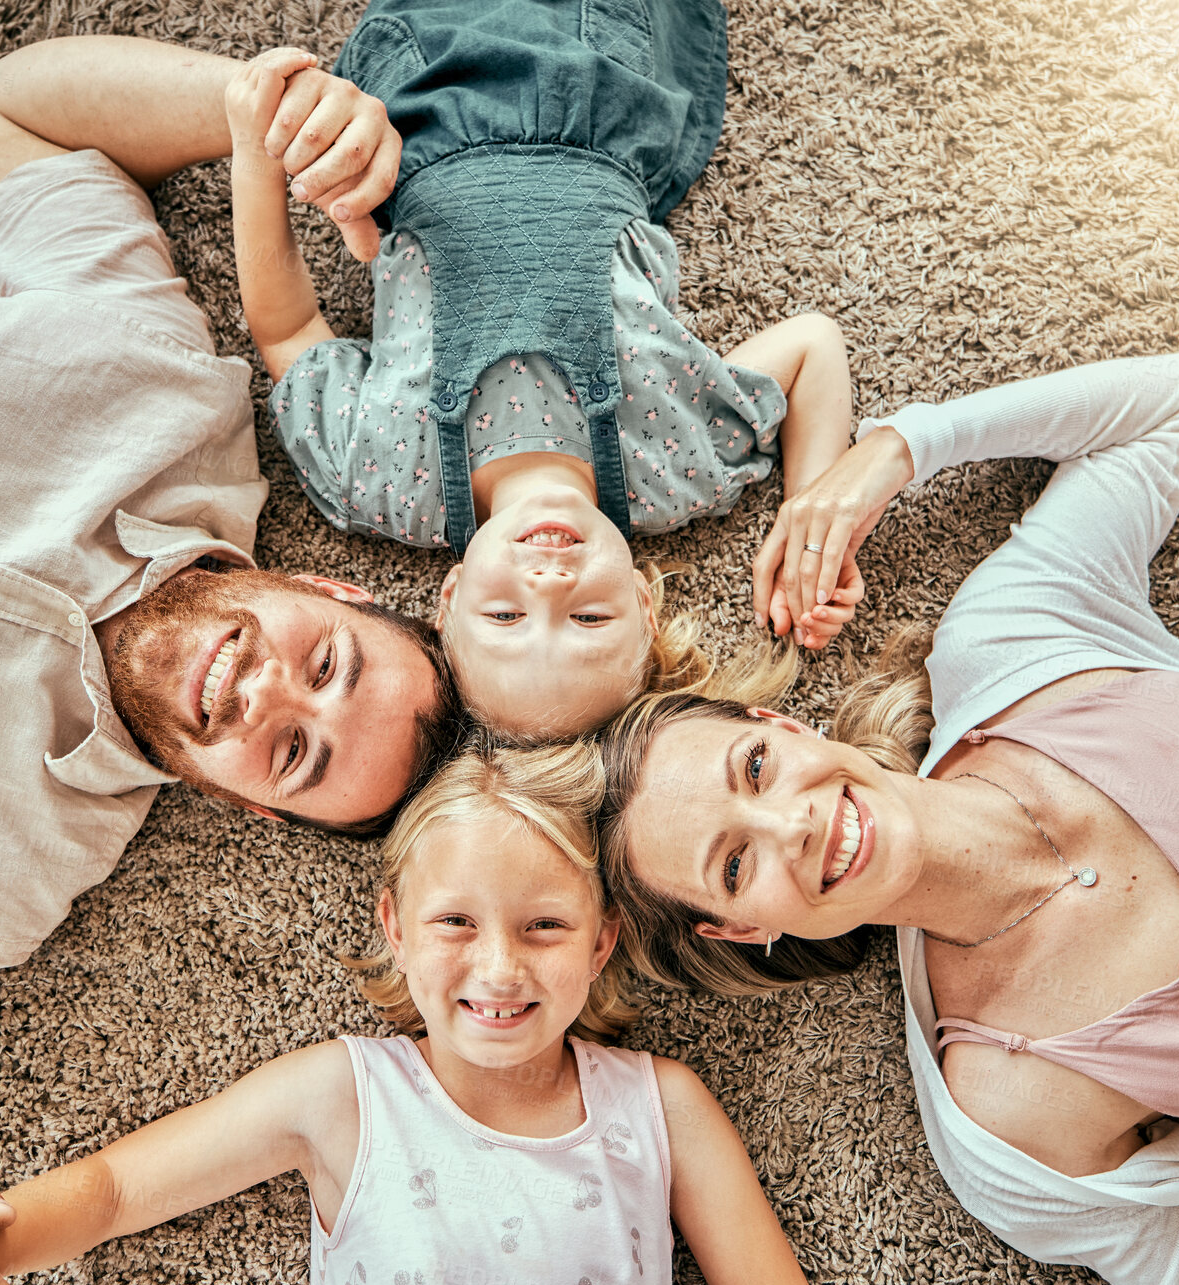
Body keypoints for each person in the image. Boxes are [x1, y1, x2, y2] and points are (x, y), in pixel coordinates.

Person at [0, 35, 466, 1285]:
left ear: (246, 805)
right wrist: (266, 113)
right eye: (327, 662)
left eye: (294, 753)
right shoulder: (161, 384)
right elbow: (14, 117)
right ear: (330, 587)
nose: (269, 693)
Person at [594, 353, 1179, 1285]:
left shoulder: (1010, 644)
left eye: (752, 771)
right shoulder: (1011, 1108)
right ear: (743, 930)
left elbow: (1173, 402)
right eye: (734, 865)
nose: (792, 823)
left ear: (786, 729)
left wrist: (892, 450)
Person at [0, 743, 828, 1285]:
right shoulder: (345, 1094)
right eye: (455, 922)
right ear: (398, 933)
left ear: (598, 944)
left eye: (544, 927)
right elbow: (112, 1191)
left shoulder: (662, 1104)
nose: (499, 969)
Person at [230, 2, 866, 740]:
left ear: (450, 596)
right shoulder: (679, 469)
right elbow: (814, 347)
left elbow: (285, 328)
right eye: (589, 617)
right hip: (605, 89)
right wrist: (813, 524)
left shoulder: (380, 482)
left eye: (505, 616)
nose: (548, 586)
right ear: (643, 599)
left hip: (423, 96)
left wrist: (252, 154)